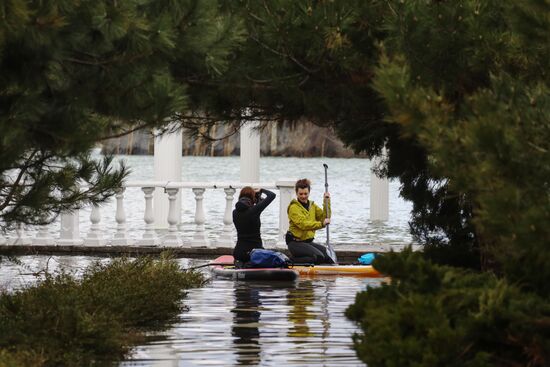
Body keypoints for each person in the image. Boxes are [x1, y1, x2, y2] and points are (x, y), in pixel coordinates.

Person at [286, 178, 334, 264]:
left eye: (306, 193)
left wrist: (326, 201)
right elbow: (303, 225)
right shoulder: (294, 208)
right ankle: (290, 261)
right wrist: (321, 224)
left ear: (309, 192)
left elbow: (325, 217)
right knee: (318, 257)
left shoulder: (312, 206)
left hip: (308, 242)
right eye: (300, 194)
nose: (303, 196)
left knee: (327, 256)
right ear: (296, 193)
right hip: (295, 243)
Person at [233, 186, 276, 266]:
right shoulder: (254, 210)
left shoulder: (234, 212)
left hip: (238, 253)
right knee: (275, 256)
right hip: (255, 253)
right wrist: (262, 190)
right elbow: (272, 195)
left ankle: (242, 264)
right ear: (253, 198)